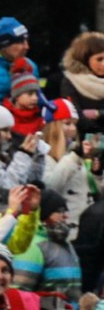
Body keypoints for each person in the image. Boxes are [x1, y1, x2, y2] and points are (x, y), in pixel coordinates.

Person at [13, 190, 84, 310]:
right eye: (60, 211)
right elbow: (19, 293)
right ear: (44, 215)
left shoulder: (66, 245)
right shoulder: (32, 246)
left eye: (66, 211)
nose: (66, 216)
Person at [0, 101, 46, 214]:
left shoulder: (3, 155)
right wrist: (24, 155)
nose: (9, 136)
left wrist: (38, 156)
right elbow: (8, 188)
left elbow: (31, 181)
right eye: (4, 130)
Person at [41, 99, 94, 239]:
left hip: (88, 227)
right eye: (67, 123)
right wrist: (73, 157)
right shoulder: (42, 157)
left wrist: (97, 173)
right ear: (53, 126)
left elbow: (94, 192)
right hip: (65, 232)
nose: (73, 129)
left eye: (74, 124)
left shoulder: (74, 156)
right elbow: (51, 188)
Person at [60, 31, 104, 135]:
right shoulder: (71, 81)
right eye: (99, 59)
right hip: (85, 142)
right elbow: (75, 116)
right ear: (84, 59)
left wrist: (98, 114)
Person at [3, 59, 45, 137]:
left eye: (36, 94)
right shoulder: (4, 119)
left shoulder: (41, 119)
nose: (35, 98)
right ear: (16, 95)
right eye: (30, 94)